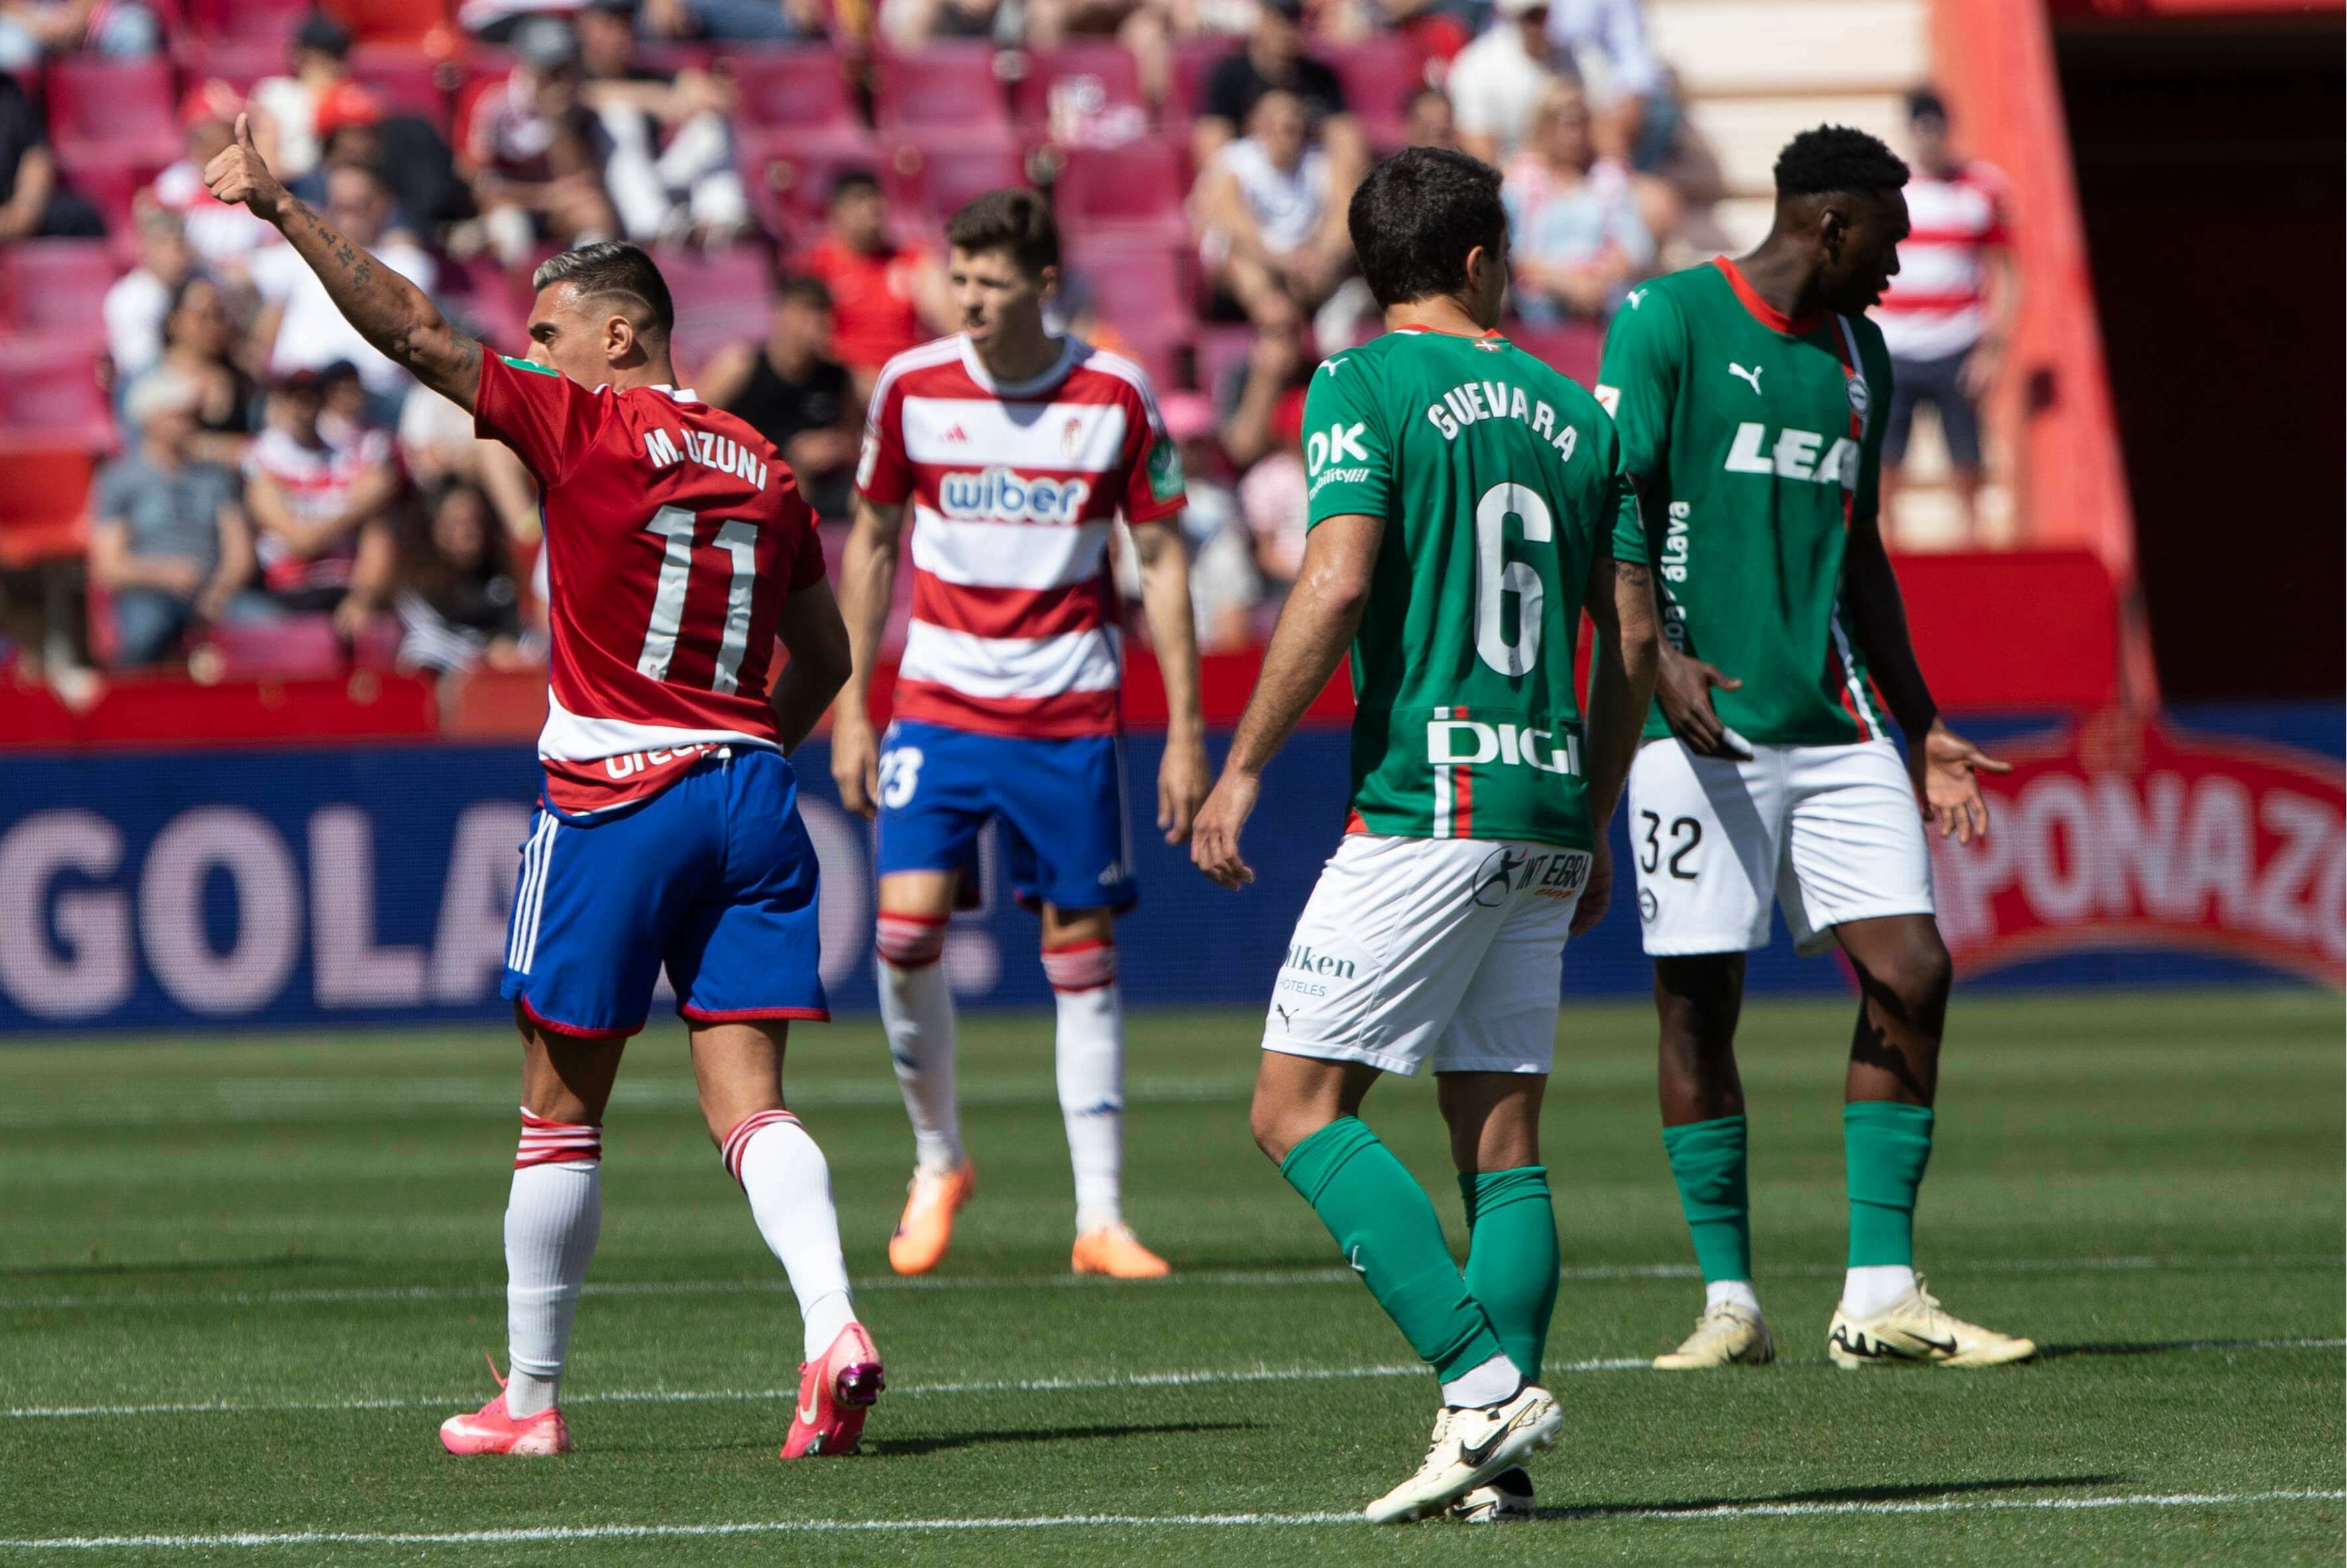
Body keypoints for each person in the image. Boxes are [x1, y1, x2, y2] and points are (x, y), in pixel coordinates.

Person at [205, 117, 881, 1461]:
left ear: (620, 334)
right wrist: (751, 749)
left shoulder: (585, 428)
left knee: (559, 1106)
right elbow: (830, 654)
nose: (533, 347)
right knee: (750, 1099)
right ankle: (833, 1327)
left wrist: (285, 210)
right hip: (750, 790)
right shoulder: (768, 467)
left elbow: (409, 330)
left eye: (551, 327)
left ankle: (531, 1395)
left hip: (616, 794)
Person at [1188, 144, 1659, 1525]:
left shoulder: (1359, 382)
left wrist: (1242, 766)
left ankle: (1476, 1379)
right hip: (1541, 806)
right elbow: (1630, 638)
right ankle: (1493, 1466)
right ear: (1475, 262)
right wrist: (1593, 812)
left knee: (1292, 1107)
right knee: (1501, 1137)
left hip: (1426, 800)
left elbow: (1334, 581)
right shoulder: (1582, 415)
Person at [1590, 125, 2033, 1375]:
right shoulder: (1667, 317)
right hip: (1696, 725)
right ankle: (1728, 1300)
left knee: (1916, 968)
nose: (1898, 274)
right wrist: (1652, 651)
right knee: (1695, 1001)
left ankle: (1880, 1292)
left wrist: (1926, 720)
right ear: (1830, 226)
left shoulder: (1861, 356)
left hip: (1837, 723)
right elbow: (1610, 503)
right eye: (1888, 246)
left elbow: (1866, 553)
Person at [834, 188, 1209, 1282]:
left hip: (1070, 709)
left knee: (1079, 956)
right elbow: (868, 543)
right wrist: (854, 703)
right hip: (941, 701)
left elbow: (1166, 561)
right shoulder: (910, 388)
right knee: (903, 940)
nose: (970, 303)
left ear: (1045, 287)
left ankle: (1099, 1216)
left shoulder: (1114, 393)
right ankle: (937, 1157)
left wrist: (1186, 730)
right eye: (959, 281)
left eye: (991, 285)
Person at [1876, 88, 2016, 544]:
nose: (1928, 140)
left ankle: (1972, 553)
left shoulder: (1982, 186)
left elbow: (2010, 270)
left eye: (1935, 129)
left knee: (1967, 462)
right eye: (1920, 129)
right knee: (1885, 465)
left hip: (1957, 345)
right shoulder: (1885, 190)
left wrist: (1993, 349)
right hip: (1895, 347)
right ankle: (1887, 559)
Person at [89, 370, 270, 668]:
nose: (191, 422)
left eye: (192, 414)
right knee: (142, 636)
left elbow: (240, 553)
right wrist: (164, 575)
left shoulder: (216, 478)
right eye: (180, 414)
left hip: (217, 595)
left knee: (269, 628)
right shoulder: (119, 479)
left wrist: (219, 590)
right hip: (149, 595)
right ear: (151, 418)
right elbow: (109, 566)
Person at [252, 164, 439, 423]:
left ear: (381, 207)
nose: (346, 216)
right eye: (339, 206)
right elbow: (242, 274)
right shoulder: (298, 257)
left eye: (356, 207)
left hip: (374, 398)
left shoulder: (407, 263)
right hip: (302, 389)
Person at [576, 0, 749, 247]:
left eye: (625, 25)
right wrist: (656, 99)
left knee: (710, 123)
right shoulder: (570, 70)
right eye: (609, 24)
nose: (618, 35)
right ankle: (655, 226)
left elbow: (719, 98)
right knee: (619, 117)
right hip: (603, 193)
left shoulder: (643, 73)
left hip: (657, 179)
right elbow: (583, 94)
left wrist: (683, 98)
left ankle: (722, 218)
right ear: (585, 26)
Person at [243, 366, 402, 633]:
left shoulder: (347, 454)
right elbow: (301, 542)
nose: (302, 407)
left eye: (310, 398)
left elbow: (379, 519)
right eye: (294, 398)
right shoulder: (264, 456)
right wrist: (357, 508)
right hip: (290, 588)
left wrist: (363, 598)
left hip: (346, 585)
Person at [458, 17, 624, 268]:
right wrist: (545, 196)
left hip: (555, 201)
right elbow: (475, 176)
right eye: (551, 68)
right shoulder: (491, 98)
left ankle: (589, 288)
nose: (560, 77)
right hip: (511, 195)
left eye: (567, 67)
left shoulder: (575, 102)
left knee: (594, 212)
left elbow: (578, 179)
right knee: (510, 228)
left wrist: (557, 121)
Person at [701, 275, 859, 521]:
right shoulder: (742, 366)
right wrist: (786, 454)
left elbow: (856, 442)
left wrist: (834, 447)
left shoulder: (837, 377)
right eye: (806, 314)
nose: (816, 324)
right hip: (748, 478)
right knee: (791, 478)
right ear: (782, 315)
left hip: (826, 486)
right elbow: (693, 431)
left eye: (822, 314)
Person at [1194, 87, 1349, 332]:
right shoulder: (1234, 160)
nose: (1283, 130)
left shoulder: (1320, 161)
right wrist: (1284, 259)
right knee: (1246, 269)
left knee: (1321, 273)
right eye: (1273, 122)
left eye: (1291, 123)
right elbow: (1233, 224)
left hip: (1303, 259)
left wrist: (1322, 253)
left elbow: (1343, 216)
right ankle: (1277, 328)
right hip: (1255, 256)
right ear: (1256, 124)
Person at [794, 170, 954, 401]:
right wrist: (866, 378)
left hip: (907, 375)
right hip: (848, 385)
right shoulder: (817, 267)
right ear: (835, 212)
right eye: (859, 199)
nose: (871, 208)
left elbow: (951, 320)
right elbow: (810, 340)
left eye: (875, 198)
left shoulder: (914, 262)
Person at [1502, 82, 1653, 323]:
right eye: (1567, 124)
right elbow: (1512, 252)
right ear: (1544, 127)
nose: (1576, 134)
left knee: (1629, 307)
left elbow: (1634, 244)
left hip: (1603, 289)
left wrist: (1599, 281)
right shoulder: (1518, 181)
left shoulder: (1608, 178)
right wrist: (1565, 284)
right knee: (1539, 308)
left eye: (1582, 123)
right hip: (1542, 290)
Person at [389, 477, 536, 675]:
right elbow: (428, 636)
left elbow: (516, 630)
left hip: (504, 668)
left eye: (474, 521)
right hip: (445, 662)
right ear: (434, 527)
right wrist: (484, 654)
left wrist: (507, 649)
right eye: (456, 523)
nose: (468, 532)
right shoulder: (415, 581)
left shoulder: (501, 575)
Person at [1448, 0, 1562, 167]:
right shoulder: (1476, 66)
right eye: (1532, 16)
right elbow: (1477, 146)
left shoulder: (1582, 59)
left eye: (1543, 15)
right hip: (1506, 179)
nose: (1539, 24)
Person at [249, 9, 357, 184]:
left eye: (336, 58)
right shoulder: (275, 93)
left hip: (337, 192)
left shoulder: (351, 98)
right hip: (289, 188)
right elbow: (266, 166)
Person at [0, 68, 103, 238]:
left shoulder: (8, 90)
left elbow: (35, 153)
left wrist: (25, 209)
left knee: (82, 218)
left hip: (11, 207)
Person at [104, 205, 195, 390]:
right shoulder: (129, 298)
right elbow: (140, 367)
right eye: (164, 243)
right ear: (145, 248)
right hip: (143, 387)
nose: (175, 253)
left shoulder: (200, 284)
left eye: (180, 243)